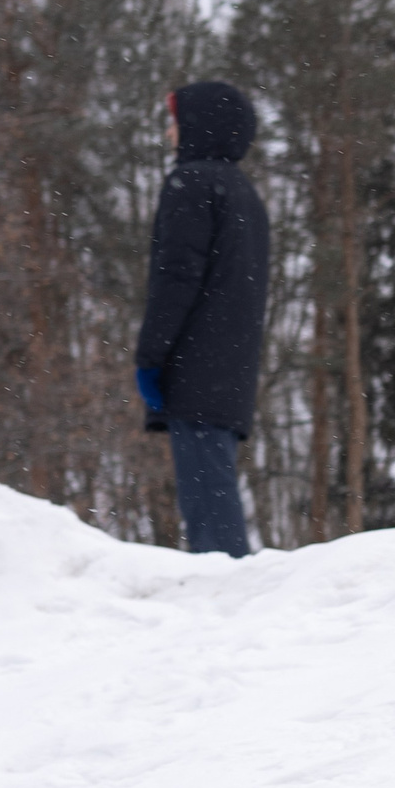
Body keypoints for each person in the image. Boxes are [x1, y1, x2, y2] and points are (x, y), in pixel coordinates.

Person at [136, 82, 270, 555]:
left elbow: (176, 279)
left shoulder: (191, 184)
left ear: (197, 124)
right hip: (230, 371)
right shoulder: (244, 195)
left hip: (197, 370)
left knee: (211, 520)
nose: (170, 131)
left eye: (175, 120)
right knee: (215, 495)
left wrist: (150, 358)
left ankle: (230, 610)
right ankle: (231, 600)